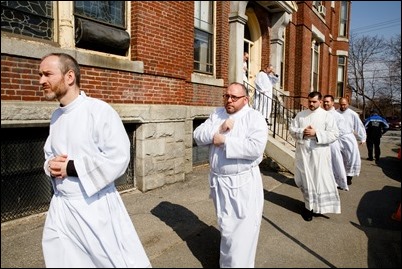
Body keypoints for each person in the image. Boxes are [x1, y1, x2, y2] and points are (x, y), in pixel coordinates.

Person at [39, 53, 151, 268]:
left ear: (69, 77)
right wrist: (50, 165)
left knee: (109, 262)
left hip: (93, 206)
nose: (41, 81)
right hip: (62, 207)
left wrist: (71, 167)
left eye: (47, 74)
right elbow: (49, 154)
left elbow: (118, 157)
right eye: (40, 75)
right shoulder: (56, 116)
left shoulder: (98, 111)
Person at [193, 82, 268, 268]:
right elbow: (197, 135)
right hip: (220, 183)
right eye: (226, 96)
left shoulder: (254, 118)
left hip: (243, 184)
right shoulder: (217, 114)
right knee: (226, 228)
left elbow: (256, 148)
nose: (229, 100)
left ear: (245, 99)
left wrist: (226, 141)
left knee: (242, 234)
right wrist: (218, 130)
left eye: (234, 97)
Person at [289, 91, 341, 221]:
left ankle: (317, 208)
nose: (311, 104)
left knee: (319, 181)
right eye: (309, 101)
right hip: (303, 154)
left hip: (319, 155)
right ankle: (308, 207)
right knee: (305, 180)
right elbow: (292, 129)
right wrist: (303, 132)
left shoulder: (327, 116)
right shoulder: (301, 115)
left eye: (314, 102)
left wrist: (316, 133)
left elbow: (334, 134)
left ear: (320, 102)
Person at [336, 97, 366, 185]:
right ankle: (339, 177)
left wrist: (362, 138)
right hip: (337, 138)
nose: (342, 106)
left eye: (344, 104)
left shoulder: (352, 114)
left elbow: (359, 126)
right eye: (341, 104)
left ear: (348, 104)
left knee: (351, 157)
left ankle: (349, 177)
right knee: (339, 158)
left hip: (348, 138)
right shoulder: (335, 113)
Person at [323, 95, 349, 191]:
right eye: (324, 101)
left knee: (335, 163)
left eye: (328, 101)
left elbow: (341, 131)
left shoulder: (338, 116)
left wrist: (330, 136)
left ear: (333, 103)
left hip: (333, 143)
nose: (326, 103)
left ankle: (338, 182)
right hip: (321, 143)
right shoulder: (321, 114)